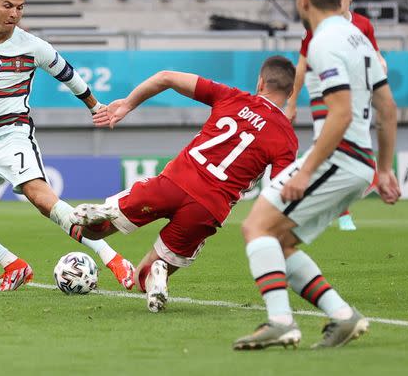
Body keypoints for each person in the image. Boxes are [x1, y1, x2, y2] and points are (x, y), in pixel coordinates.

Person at [0, 0, 136, 292]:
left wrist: (94, 107)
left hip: (13, 137)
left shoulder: (32, 45)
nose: (14, 13)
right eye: (8, 5)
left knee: (41, 198)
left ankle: (113, 258)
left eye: (20, 8)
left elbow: (68, 74)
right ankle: (14, 265)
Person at [233, 0, 401, 350]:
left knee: (255, 226)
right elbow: (388, 108)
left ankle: (280, 322)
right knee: (279, 241)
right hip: (358, 160)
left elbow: (340, 114)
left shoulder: (323, 42)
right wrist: (386, 168)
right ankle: (343, 316)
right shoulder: (358, 38)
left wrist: (305, 171)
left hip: (337, 156)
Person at [71, 57, 298, 312]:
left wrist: (127, 104)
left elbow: (166, 76)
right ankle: (159, 271)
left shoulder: (232, 96)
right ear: (291, 92)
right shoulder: (286, 138)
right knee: (142, 280)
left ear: (261, 82)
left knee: (93, 231)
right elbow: (279, 193)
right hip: (208, 209)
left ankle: (105, 212)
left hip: (172, 183)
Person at [285, 0, 387, 232]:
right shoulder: (316, 26)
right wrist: (292, 103)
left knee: (353, 153)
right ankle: (340, 212)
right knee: (329, 149)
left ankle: (324, 201)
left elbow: (375, 55)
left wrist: (380, 68)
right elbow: (302, 65)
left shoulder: (363, 25)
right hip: (328, 95)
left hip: (357, 98)